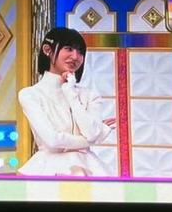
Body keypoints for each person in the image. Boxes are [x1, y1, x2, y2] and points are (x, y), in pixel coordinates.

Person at [18, 27, 116, 177]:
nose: (75, 56)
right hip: (46, 167)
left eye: (80, 52)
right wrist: (93, 139)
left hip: (89, 167)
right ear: (47, 50)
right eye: (68, 49)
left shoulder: (90, 96)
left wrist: (70, 93)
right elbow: (52, 140)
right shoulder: (30, 95)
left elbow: (92, 132)